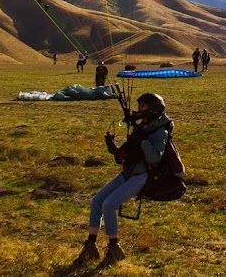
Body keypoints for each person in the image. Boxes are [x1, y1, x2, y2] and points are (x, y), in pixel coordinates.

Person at [72, 93, 172, 267]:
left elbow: (154, 157)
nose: (139, 109)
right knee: (97, 201)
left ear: (153, 109)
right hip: (128, 173)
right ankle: (91, 246)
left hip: (142, 176)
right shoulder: (144, 126)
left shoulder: (159, 130)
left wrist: (143, 139)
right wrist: (114, 148)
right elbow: (126, 155)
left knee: (109, 205)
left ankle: (114, 248)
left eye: (143, 106)